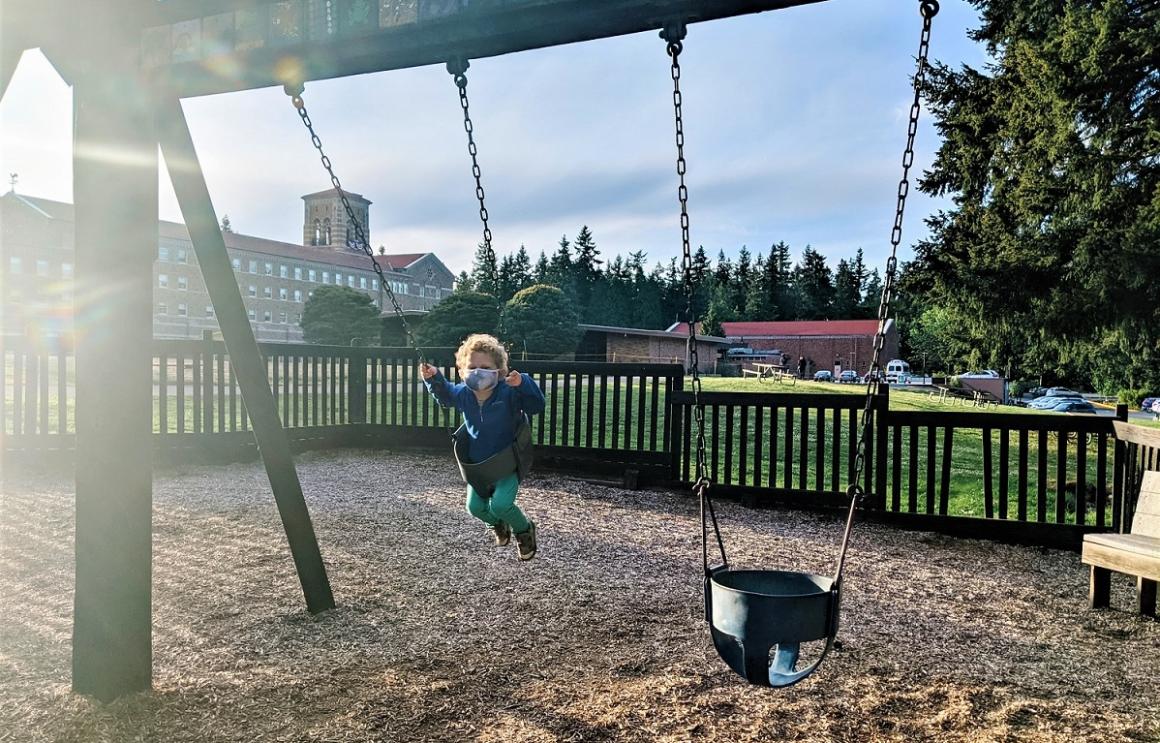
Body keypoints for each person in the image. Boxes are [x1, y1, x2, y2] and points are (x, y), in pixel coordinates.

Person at [420, 334, 545, 560]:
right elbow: (445, 395)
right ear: (462, 371)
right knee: (475, 508)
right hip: (478, 464)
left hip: (507, 462)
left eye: (485, 367)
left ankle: (524, 530)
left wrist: (523, 383)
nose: (478, 371)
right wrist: (434, 378)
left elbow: (536, 405)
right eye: (472, 366)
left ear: (499, 372)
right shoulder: (463, 394)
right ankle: (498, 525)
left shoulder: (508, 393)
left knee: (500, 504)